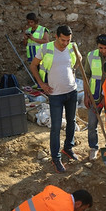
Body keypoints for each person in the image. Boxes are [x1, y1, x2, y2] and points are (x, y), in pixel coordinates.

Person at [30, 25, 81, 173]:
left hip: (71, 92)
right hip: (55, 94)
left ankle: (68, 148)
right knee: (56, 127)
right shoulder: (45, 49)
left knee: (71, 122)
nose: (65, 43)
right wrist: (41, 84)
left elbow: (78, 60)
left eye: (68, 40)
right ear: (56, 37)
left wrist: (74, 69)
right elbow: (33, 66)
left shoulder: (72, 47)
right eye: (63, 40)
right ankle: (56, 157)